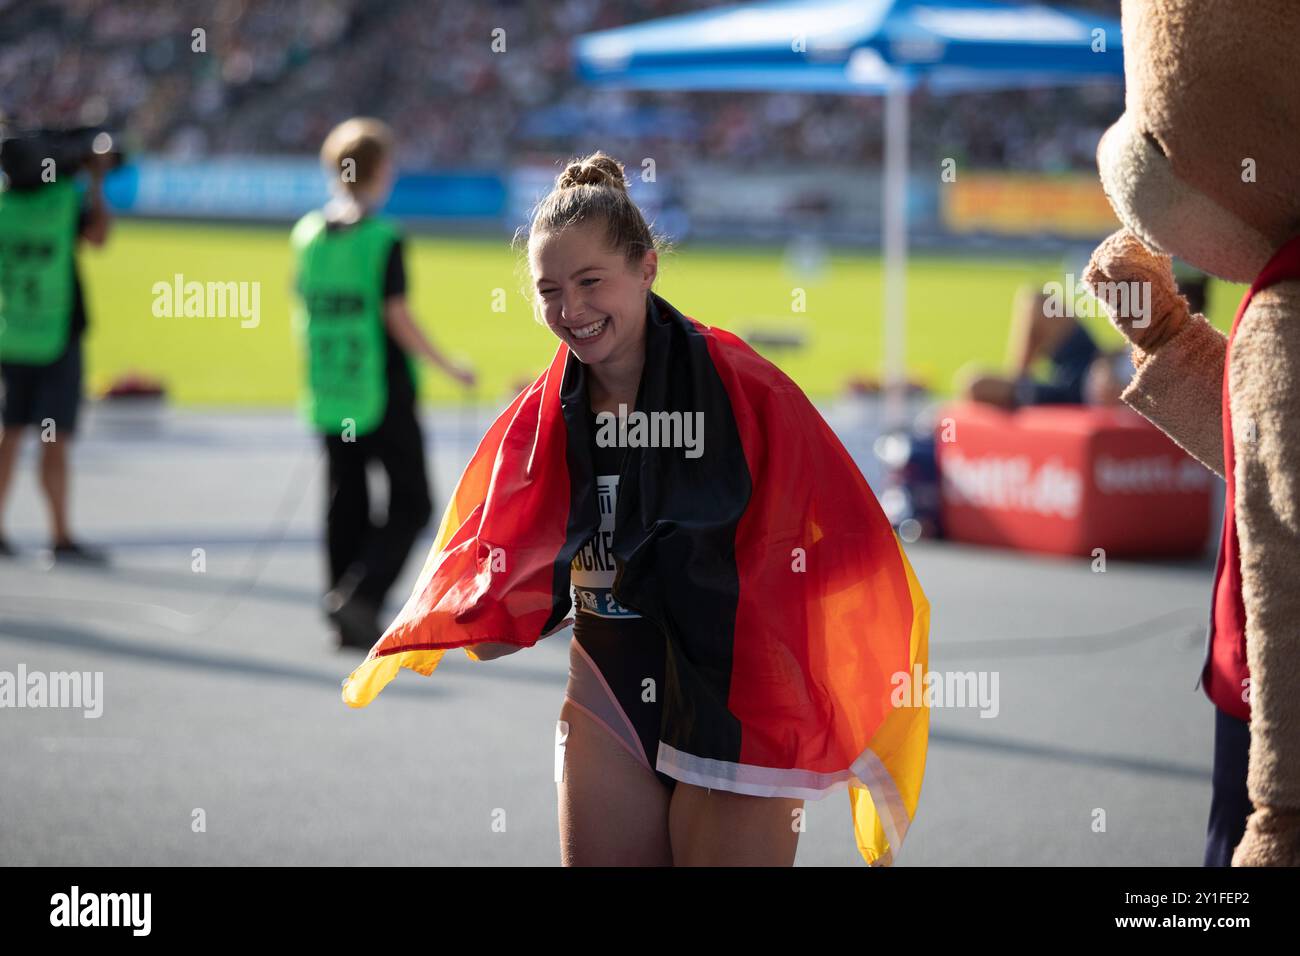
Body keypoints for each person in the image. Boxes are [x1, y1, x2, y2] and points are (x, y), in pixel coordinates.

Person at [341, 152, 931, 868]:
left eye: (592, 282)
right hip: (609, 686)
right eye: (549, 291)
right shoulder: (541, 418)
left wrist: (764, 602)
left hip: (741, 703)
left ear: (647, 269)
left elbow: (853, 543)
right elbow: (501, 571)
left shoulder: (749, 390)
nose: (572, 311)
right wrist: (496, 610)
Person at [290, 117, 475, 650]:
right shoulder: (381, 238)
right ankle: (363, 596)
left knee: (344, 496)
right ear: (379, 169)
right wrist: (448, 366)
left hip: (330, 384)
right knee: (413, 501)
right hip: (382, 385)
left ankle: (340, 601)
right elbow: (396, 316)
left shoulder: (307, 235)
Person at [0, 144, 112, 564]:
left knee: (9, 433)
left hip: (12, 334)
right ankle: (59, 534)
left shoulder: (6, 208)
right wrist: (94, 181)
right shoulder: (63, 201)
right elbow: (99, 236)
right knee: (52, 437)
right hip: (55, 339)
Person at [958, 285, 1100, 409]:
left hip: (1083, 393)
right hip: (1097, 363)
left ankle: (1018, 388)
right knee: (1038, 302)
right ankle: (1018, 379)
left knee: (976, 384)